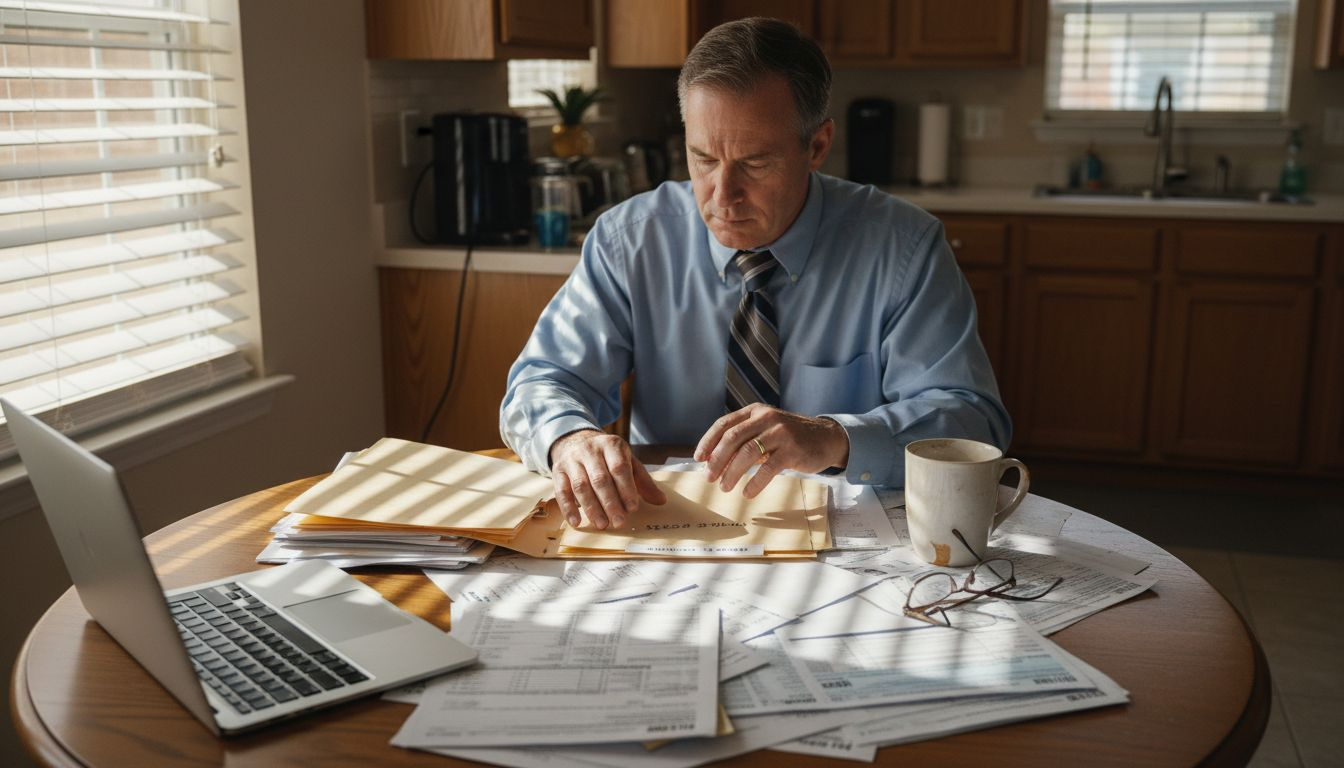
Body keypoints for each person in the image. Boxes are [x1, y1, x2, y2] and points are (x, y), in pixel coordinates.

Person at [501, 17, 1009, 531]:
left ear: (816, 146)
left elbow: (969, 417)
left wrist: (833, 436)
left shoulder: (904, 247)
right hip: (665, 531)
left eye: (755, 163)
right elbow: (542, 380)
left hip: (851, 537)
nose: (722, 197)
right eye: (702, 159)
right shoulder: (628, 240)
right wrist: (570, 440)